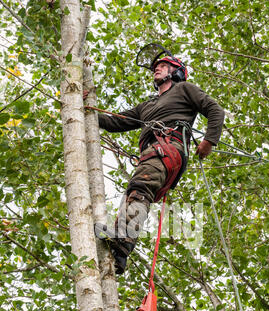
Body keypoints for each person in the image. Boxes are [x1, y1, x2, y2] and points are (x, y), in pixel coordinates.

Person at [85, 55, 225, 274]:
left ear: (175, 72)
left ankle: (123, 239)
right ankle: (119, 255)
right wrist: (87, 110)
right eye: (155, 68)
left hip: (168, 147)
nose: (156, 69)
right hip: (153, 153)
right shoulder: (148, 105)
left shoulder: (185, 89)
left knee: (141, 185)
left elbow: (215, 109)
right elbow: (116, 121)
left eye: (163, 66)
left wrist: (209, 141)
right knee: (135, 190)